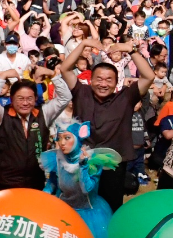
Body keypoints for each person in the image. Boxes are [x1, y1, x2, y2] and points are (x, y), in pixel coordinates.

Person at [59, 37, 156, 212]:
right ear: (91, 80)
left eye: (109, 80)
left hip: (113, 164)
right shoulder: (82, 92)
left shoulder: (126, 97)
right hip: (82, 161)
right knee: (81, 204)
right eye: (99, 79)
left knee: (110, 205)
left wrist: (131, 50)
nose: (103, 84)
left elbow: (149, 76)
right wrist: (83, 44)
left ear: (116, 81)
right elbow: (65, 68)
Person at [0, 66, 73, 191]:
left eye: (29, 98)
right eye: (20, 98)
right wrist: (2, 77)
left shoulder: (44, 114)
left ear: (36, 99)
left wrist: (53, 75)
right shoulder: (1, 115)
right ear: (11, 99)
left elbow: (65, 97)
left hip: (35, 181)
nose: (25, 103)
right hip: (4, 182)